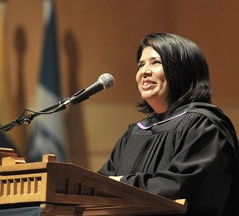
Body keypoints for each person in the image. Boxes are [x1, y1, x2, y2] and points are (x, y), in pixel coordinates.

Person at [98, 33, 239, 216]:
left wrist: (120, 183)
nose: (144, 72)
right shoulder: (135, 132)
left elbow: (180, 187)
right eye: (141, 65)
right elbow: (100, 183)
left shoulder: (204, 125)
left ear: (182, 70)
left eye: (155, 62)